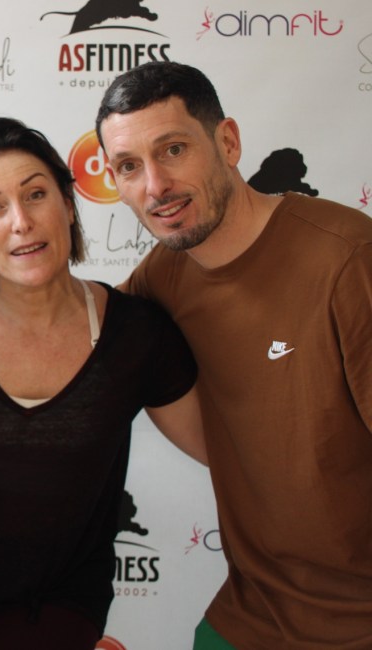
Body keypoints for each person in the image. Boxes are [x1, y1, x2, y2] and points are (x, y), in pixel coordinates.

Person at [0, 117, 205, 650]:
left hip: (65, 590)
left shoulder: (137, 333)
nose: (21, 222)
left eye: (36, 195)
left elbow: (219, 447)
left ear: (68, 205)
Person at [95, 61, 372, 650]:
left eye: (173, 150)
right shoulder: (165, 273)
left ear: (228, 143)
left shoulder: (349, 259)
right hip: (251, 613)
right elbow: (70, 327)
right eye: (129, 166)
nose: (155, 186)